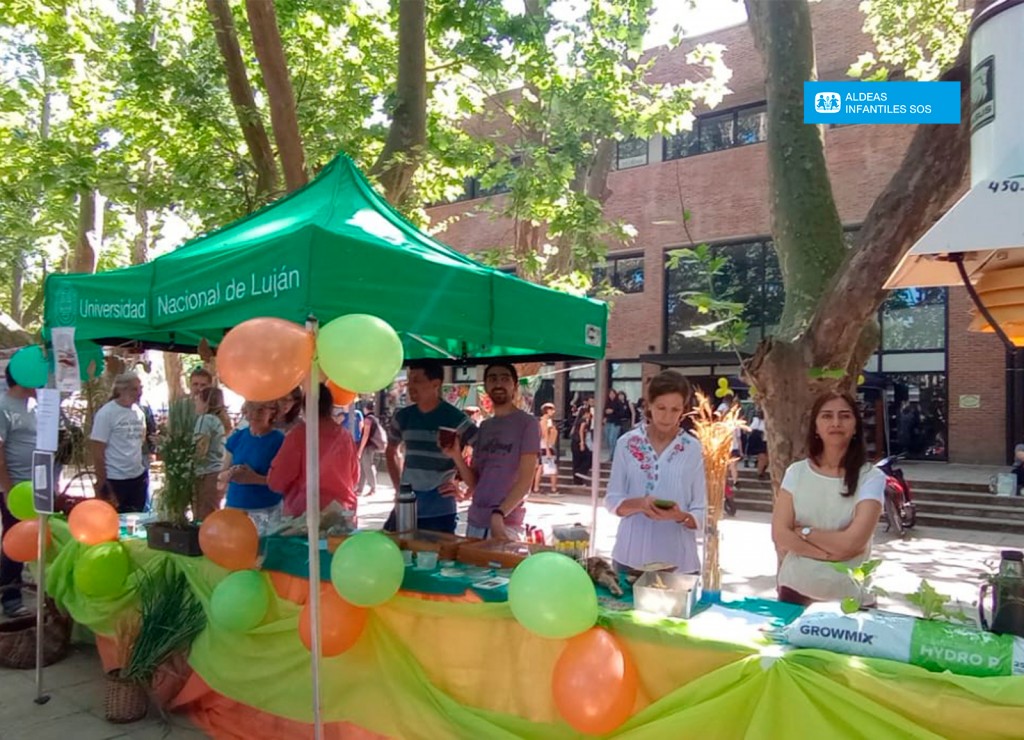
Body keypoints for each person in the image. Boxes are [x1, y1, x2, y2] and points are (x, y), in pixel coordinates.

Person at [772, 391, 886, 606]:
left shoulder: (871, 478)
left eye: (844, 416)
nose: (836, 422)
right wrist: (827, 556)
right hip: (795, 591)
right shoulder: (796, 473)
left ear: (855, 426)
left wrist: (804, 532)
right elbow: (780, 534)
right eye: (826, 416)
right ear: (815, 427)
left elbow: (853, 542)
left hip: (851, 598)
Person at [605, 371, 706, 576]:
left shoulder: (693, 449)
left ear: (683, 410)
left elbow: (703, 509)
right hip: (630, 559)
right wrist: (640, 504)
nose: (667, 417)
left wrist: (680, 516)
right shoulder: (627, 444)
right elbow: (612, 499)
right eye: (661, 408)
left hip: (679, 564)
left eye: (675, 409)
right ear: (649, 405)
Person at [440, 363, 540, 540]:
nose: (498, 383)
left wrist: (499, 514)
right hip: (475, 521)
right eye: (492, 379)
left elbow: (525, 481)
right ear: (485, 387)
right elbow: (476, 482)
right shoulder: (485, 426)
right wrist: (456, 455)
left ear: (515, 386)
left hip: (505, 523)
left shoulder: (528, 423)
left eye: (505, 379)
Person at [385, 360, 476, 533]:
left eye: (417, 380)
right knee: (401, 555)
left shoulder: (454, 418)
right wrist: (399, 490)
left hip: (440, 509)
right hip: (406, 507)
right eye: (410, 380)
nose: (410, 385)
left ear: (436, 384)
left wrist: (466, 489)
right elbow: (391, 451)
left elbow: (483, 449)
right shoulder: (403, 417)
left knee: (438, 557)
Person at [268, 383, 359, 518]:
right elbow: (355, 477)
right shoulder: (345, 436)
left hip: (306, 513)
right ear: (330, 406)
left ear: (305, 407)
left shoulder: (299, 435)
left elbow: (277, 480)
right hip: (343, 510)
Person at [0, 367, 37, 618]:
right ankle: (11, 598)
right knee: (15, 540)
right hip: (15, 486)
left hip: (36, 484)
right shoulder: (4, 405)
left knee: (34, 539)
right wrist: (8, 488)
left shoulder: (35, 405)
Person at [90, 372, 148, 513]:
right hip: (115, 478)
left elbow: (141, 441)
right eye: (134, 389)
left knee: (136, 518)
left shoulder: (139, 413)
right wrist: (102, 480)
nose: (139, 393)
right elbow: (98, 449)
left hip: (137, 477)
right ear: (121, 390)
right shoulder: (107, 413)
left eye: (140, 388)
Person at [219, 401, 286, 514]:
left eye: (260, 410)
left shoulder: (279, 441)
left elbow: (283, 481)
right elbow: (221, 474)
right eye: (251, 409)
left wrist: (255, 478)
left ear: (272, 412)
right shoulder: (237, 437)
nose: (254, 415)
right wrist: (230, 474)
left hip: (265, 508)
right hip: (234, 506)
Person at [192, 387, 227, 520]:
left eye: (198, 399)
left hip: (206, 474)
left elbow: (200, 449)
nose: (195, 402)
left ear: (205, 402)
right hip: (217, 472)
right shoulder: (219, 420)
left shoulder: (205, 420)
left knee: (203, 518)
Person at [356, 401, 384, 496]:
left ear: (365, 409)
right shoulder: (374, 419)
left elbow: (365, 436)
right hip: (370, 446)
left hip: (368, 447)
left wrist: (360, 450)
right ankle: (360, 488)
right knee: (364, 467)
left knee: (367, 467)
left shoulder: (368, 419)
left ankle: (373, 488)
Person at [533, 402, 559, 494]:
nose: (553, 411)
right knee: (549, 468)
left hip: (545, 446)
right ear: (547, 410)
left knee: (541, 467)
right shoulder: (544, 421)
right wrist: (548, 449)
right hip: (545, 447)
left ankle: (537, 488)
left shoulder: (547, 421)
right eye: (552, 409)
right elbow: (545, 436)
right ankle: (553, 489)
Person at [570, 402, 593, 485]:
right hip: (579, 442)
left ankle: (577, 480)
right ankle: (580, 472)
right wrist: (582, 443)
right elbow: (581, 431)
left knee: (577, 461)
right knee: (588, 457)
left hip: (575, 442)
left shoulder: (578, 421)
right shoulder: (583, 421)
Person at [748, 408, 769, 479]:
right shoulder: (756, 420)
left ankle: (762, 471)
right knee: (762, 457)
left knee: (766, 458)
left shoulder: (768, 421)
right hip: (760, 441)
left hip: (765, 440)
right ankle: (760, 472)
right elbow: (751, 428)